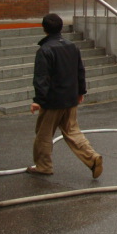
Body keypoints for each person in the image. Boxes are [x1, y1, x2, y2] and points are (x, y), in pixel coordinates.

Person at [28, 13, 103, 178]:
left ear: (44, 29)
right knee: (73, 131)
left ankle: (43, 166)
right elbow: (80, 70)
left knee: (44, 135)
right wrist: (81, 91)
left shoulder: (45, 50)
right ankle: (92, 157)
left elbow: (41, 78)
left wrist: (38, 101)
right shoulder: (71, 46)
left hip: (53, 101)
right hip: (70, 98)